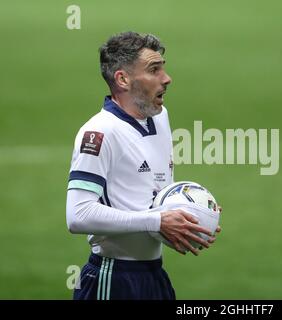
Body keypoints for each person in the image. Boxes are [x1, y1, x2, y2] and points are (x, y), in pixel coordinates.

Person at [66, 31, 220, 300]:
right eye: (154, 70)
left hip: (154, 276)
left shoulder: (160, 117)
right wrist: (158, 221)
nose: (166, 78)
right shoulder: (99, 133)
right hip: (112, 279)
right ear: (123, 79)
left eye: (163, 68)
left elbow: (152, 190)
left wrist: (190, 213)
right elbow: (78, 215)